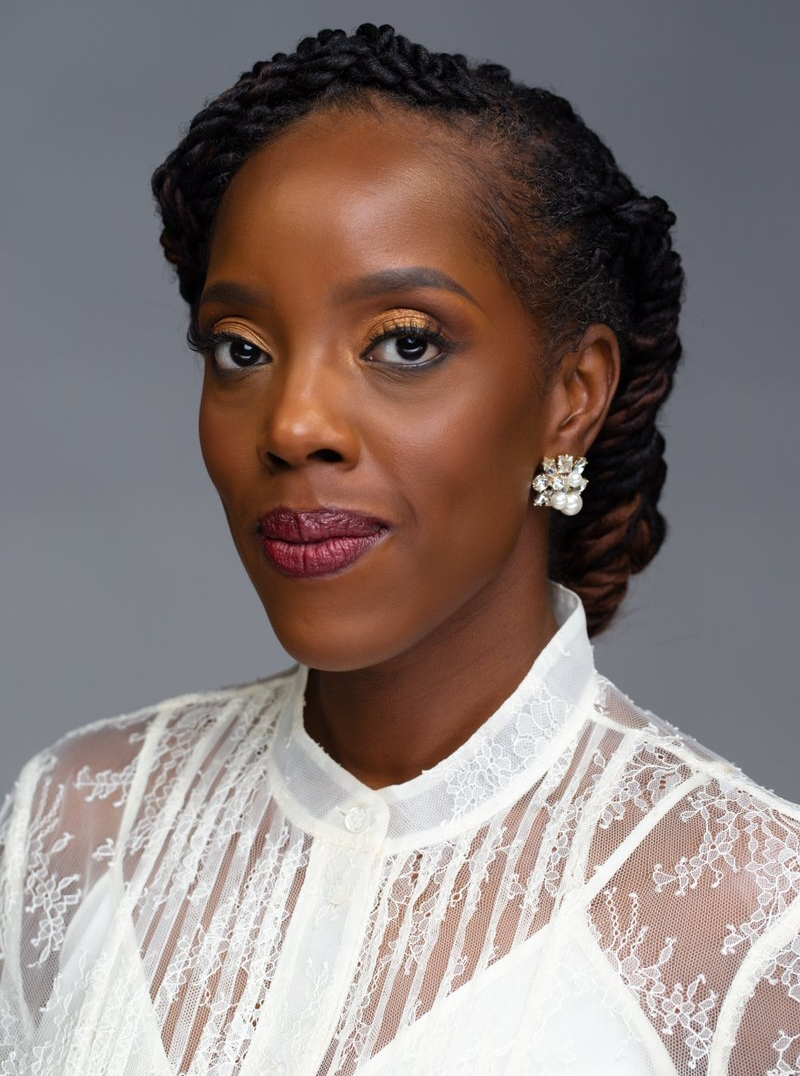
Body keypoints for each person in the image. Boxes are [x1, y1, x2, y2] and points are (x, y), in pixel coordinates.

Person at [0, 22, 797, 1076]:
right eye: (240, 350)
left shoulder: (747, 921)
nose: (291, 424)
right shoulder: (71, 822)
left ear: (571, 396)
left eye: (403, 344)